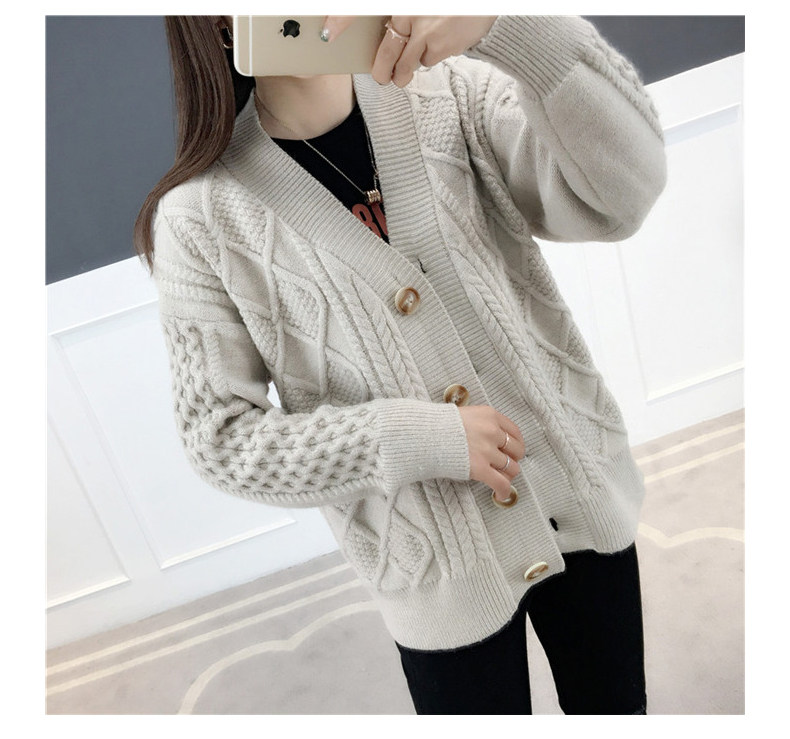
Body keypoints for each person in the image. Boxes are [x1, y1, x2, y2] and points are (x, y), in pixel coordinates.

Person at [135, 15, 667, 715]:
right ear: (220, 24)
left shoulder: (456, 94)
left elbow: (620, 199)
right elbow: (220, 439)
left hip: (576, 484)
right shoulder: (199, 217)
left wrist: (506, 26)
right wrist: (414, 438)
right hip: (435, 570)